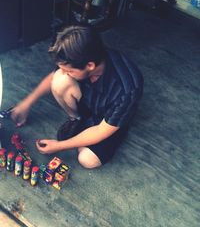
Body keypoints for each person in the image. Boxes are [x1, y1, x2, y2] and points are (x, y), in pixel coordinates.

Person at [11, 24, 143, 169]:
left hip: (108, 122)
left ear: (90, 65)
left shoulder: (127, 88)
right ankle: (76, 119)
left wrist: (59, 146)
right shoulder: (80, 55)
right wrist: (27, 103)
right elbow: (54, 77)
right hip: (89, 102)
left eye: (69, 70)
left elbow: (101, 131)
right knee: (59, 80)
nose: (65, 72)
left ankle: (84, 134)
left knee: (87, 159)